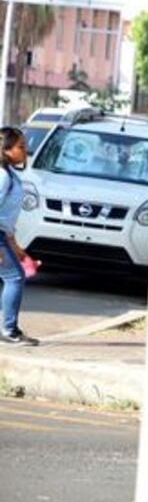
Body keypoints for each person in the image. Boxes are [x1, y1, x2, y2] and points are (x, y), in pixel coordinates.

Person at [0, 128, 36, 346]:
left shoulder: (10, 175)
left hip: (3, 236)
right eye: (20, 147)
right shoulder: (3, 177)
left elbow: (6, 217)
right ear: (5, 150)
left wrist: (15, 246)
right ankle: (9, 330)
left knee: (14, 276)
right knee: (14, 277)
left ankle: (10, 328)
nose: (25, 151)